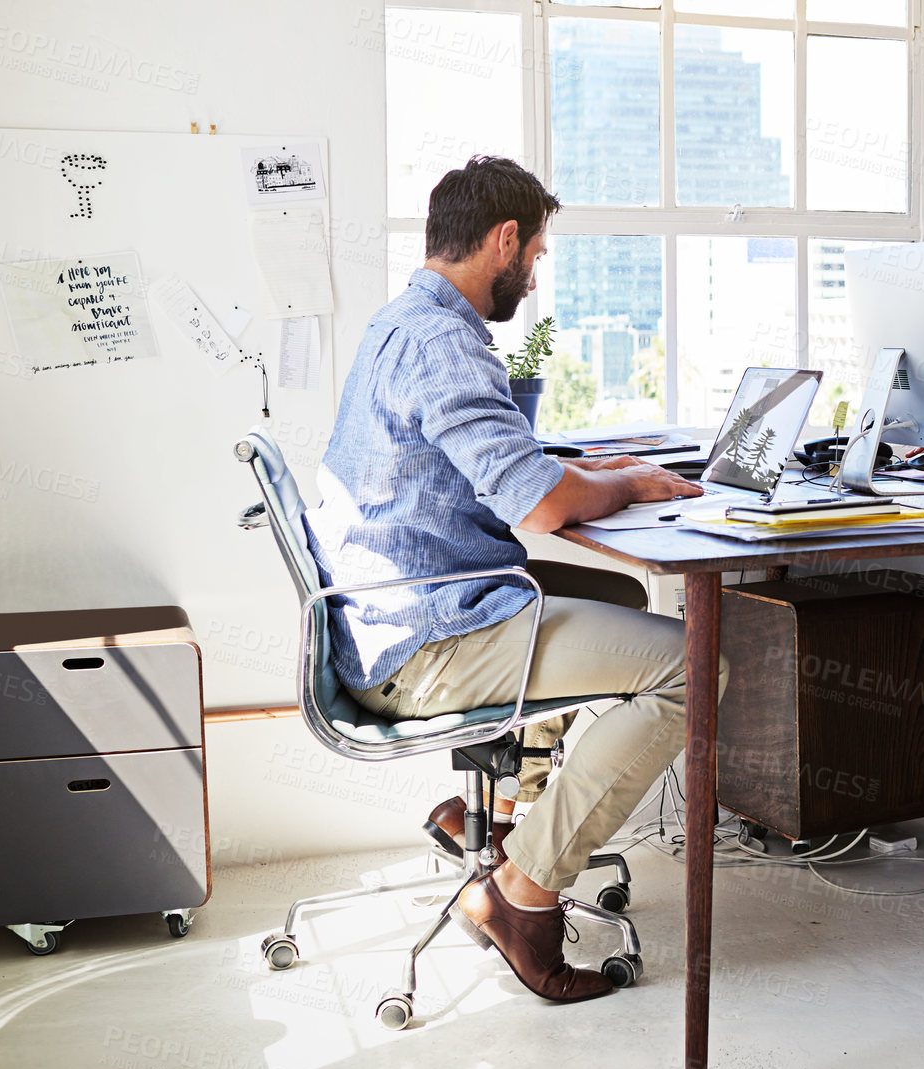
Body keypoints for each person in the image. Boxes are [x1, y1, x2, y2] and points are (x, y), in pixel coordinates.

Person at [303, 156, 716, 1003]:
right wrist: (626, 484)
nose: (533, 275)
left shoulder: (400, 322)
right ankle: (521, 890)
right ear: (503, 240)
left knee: (622, 600)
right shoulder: (447, 341)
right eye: (534, 255)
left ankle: (500, 818)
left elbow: (489, 463)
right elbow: (535, 507)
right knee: (696, 669)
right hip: (428, 643)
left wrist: (581, 465)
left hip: (392, 618)